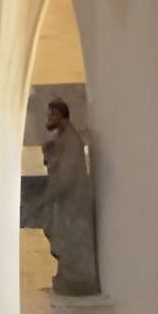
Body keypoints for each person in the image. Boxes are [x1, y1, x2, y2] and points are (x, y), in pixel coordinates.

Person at [39, 96, 99, 295]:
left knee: (73, 241)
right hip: (66, 205)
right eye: (48, 114)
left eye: (53, 114)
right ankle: (70, 275)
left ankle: (78, 278)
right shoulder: (62, 139)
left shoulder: (71, 140)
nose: (49, 118)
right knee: (66, 240)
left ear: (64, 118)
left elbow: (67, 176)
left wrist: (46, 197)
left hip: (74, 204)